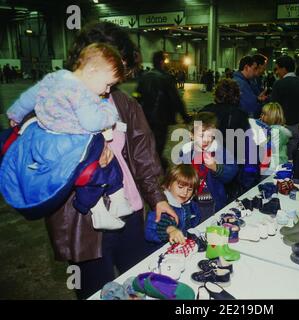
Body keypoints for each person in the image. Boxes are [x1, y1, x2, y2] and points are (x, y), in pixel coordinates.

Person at [6, 21, 179, 300]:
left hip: (130, 213)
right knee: (98, 294)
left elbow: (143, 156)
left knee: (139, 288)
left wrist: (157, 198)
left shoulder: (123, 103)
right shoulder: (52, 100)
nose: (120, 76)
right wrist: (84, 150)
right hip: (85, 223)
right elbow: (34, 160)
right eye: (115, 64)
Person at [6, 43, 134, 231]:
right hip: (70, 145)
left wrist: (15, 113)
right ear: (91, 70)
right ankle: (104, 205)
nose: (107, 91)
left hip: (47, 143)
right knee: (99, 167)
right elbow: (92, 122)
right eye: (107, 84)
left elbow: (29, 97)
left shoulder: (55, 78)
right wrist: (108, 110)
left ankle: (110, 203)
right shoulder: (79, 92)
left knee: (90, 170)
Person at [136, 51, 191, 172]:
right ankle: (156, 167)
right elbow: (175, 99)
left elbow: (136, 96)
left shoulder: (144, 77)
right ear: (162, 61)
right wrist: (185, 116)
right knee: (159, 145)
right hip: (161, 118)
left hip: (145, 118)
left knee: (148, 143)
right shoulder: (166, 77)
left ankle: (150, 164)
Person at [178, 112, 238, 219]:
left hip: (211, 199)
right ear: (191, 135)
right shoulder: (186, 151)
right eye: (201, 135)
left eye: (211, 135)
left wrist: (215, 167)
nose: (206, 140)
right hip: (189, 198)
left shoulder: (219, 151)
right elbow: (178, 172)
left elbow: (232, 171)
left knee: (209, 221)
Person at [145, 164, 201, 245]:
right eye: (180, 187)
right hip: (163, 250)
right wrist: (170, 230)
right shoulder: (162, 205)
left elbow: (196, 221)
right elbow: (150, 230)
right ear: (168, 185)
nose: (185, 192)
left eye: (189, 189)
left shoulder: (191, 204)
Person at [271, 55, 299, 160]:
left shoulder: (279, 84)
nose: (277, 72)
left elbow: (273, 108)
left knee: (278, 159)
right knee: (291, 159)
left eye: (278, 68)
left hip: (280, 129)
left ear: (284, 68)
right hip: (296, 127)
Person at [259, 102, 292, 175]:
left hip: (273, 167)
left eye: (264, 114)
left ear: (271, 116)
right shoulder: (276, 130)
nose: (261, 116)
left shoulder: (275, 131)